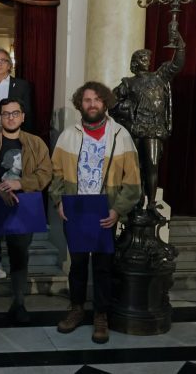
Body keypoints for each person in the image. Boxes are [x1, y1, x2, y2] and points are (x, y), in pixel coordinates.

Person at [49, 82, 141, 344]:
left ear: (105, 103)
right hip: (75, 209)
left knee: (102, 266)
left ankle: (101, 314)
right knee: (77, 265)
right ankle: (76, 308)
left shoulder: (120, 135)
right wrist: (59, 202)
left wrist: (117, 210)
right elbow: (55, 172)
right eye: (87, 99)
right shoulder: (69, 135)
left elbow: (133, 182)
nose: (92, 104)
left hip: (105, 211)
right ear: (80, 104)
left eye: (97, 99)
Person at [0, 98, 52, 323]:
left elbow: (45, 173)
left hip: (23, 206)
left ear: (23, 116)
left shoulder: (36, 143)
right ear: (0, 116)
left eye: (15, 113)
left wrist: (22, 183)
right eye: (6, 113)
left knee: (19, 257)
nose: (10, 117)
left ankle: (18, 304)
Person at [112, 30, 185, 216]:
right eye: (143, 58)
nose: (147, 60)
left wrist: (180, 47)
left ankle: (152, 202)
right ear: (135, 63)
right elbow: (112, 103)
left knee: (152, 164)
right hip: (136, 129)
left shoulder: (159, 77)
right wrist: (127, 108)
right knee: (135, 167)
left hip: (153, 129)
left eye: (147, 58)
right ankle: (137, 200)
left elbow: (176, 65)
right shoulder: (128, 83)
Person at [0, 48, 34, 133]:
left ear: (9, 65)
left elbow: (27, 114)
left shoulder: (22, 85)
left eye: (3, 60)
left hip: (14, 133)